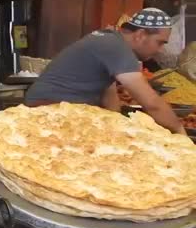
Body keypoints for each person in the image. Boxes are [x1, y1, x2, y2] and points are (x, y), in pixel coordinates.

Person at [25, 8, 186, 135]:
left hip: (58, 109)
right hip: (48, 111)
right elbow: (152, 103)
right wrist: (179, 131)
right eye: (159, 42)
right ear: (141, 35)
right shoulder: (117, 48)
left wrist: (117, 125)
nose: (160, 50)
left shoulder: (110, 39)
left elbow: (108, 93)